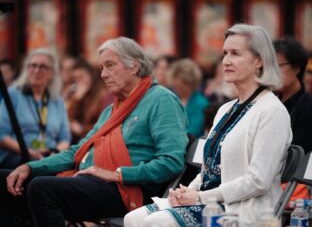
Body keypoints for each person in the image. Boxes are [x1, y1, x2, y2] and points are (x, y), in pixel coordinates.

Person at [0, 37, 188, 227]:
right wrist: (30, 167)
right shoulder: (111, 110)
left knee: (42, 189)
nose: (104, 75)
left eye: (110, 66)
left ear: (134, 67)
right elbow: (77, 152)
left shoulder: (161, 100)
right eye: (101, 68)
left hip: (128, 190)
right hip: (94, 180)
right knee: (5, 179)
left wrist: (117, 174)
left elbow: (171, 162)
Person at [124, 24, 292, 227]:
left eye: (235, 53)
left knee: (158, 221)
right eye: (224, 53)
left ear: (259, 61)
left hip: (245, 211)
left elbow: (259, 181)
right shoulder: (225, 109)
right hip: (210, 201)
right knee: (132, 218)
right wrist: (186, 191)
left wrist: (200, 197)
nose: (226, 61)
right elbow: (208, 170)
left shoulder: (272, 111)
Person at [0, 48, 71, 169]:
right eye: (33, 65)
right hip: (18, 155)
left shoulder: (56, 100)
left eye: (43, 66)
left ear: (52, 73)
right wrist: (30, 152)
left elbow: (65, 137)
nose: (37, 70)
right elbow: (2, 135)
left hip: (49, 155)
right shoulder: (13, 94)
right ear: (26, 69)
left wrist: (55, 153)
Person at [273, 37, 312, 215]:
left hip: (291, 188)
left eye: (278, 65)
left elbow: (296, 156)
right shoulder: (268, 103)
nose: (272, 72)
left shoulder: (308, 108)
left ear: (297, 68)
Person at [67, 58, 112, 144]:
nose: (79, 82)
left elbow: (104, 124)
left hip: (97, 140)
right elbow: (67, 119)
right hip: (83, 139)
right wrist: (76, 98)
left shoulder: (102, 94)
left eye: (81, 77)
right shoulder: (81, 94)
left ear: (90, 75)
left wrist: (82, 130)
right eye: (75, 79)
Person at [168, 58, 209, 138]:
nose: (179, 87)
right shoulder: (169, 98)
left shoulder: (201, 103)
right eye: (176, 86)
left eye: (184, 84)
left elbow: (193, 131)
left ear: (192, 83)